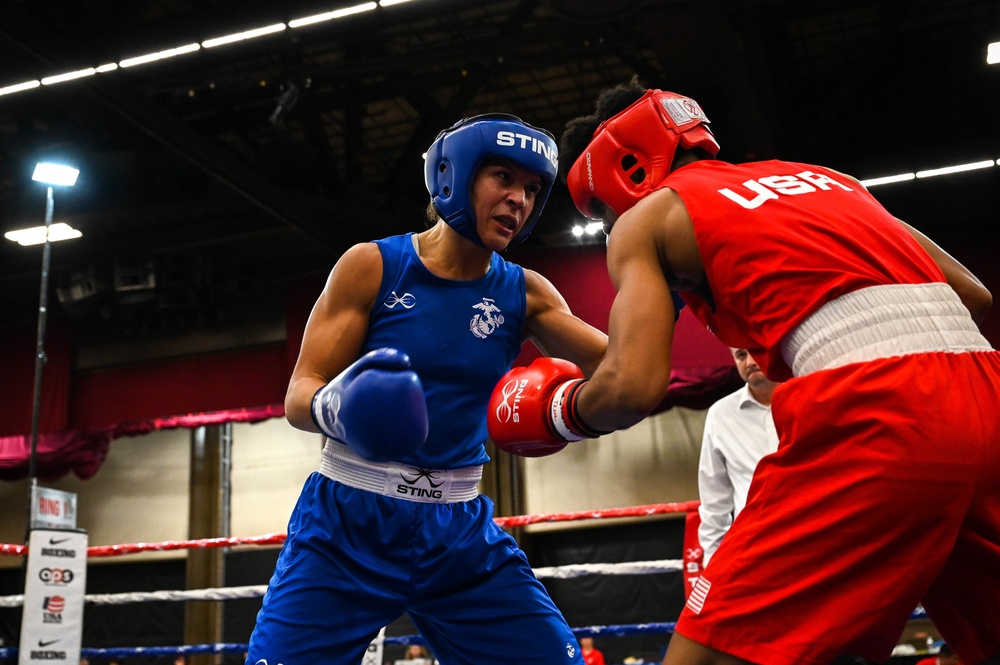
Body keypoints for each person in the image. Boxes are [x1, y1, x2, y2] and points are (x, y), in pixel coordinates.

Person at [486, 78, 1000, 665]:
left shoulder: (648, 219)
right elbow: (974, 297)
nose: (607, 226)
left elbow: (633, 385)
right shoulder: (833, 181)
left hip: (879, 412)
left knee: (703, 658)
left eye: (602, 211)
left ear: (625, 169)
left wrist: (560, 411)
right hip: (987, 391)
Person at [245, 113, 607, 665]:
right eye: (504, 179)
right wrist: (341, 407)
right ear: (453, 176)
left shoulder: (525, 292)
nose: (519, 201)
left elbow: (623, 369)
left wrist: (565, 410)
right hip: (348, 524)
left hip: (459, 532)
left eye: (532, 190)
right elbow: (300, 395)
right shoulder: (373, 266)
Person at [697, 348, 780, 567]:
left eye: (756, 351)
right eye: (741, 355)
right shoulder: (720, 415)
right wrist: (712, 562)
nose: (750, 361)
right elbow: (714, 498)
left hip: (814, 538)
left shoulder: (811, 396)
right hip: (753, 549)